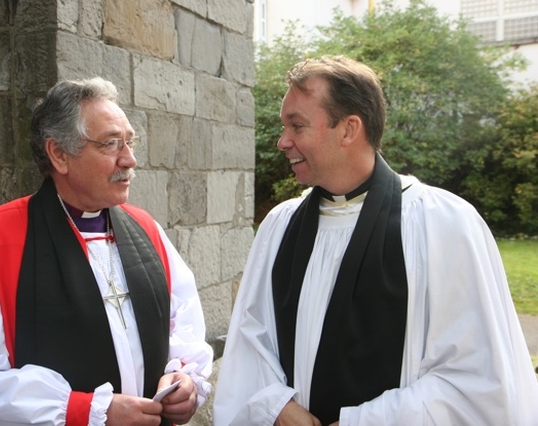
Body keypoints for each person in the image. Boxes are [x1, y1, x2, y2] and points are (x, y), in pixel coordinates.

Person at [213, 55, 538, 425]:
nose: (282, 141)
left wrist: (363, 421)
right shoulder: (280, 225)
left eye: (297, 126)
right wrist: (275, 407)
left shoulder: (443, 224)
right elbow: (250, 340)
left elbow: (477, 379)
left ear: (349, 129)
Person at [0, 77, 213, 426]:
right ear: (59, 155)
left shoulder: (147, 231)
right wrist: (86, 412)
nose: (130, 159)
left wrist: (185, 379)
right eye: (111, 144)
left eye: (130, 143)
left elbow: (182, 323)